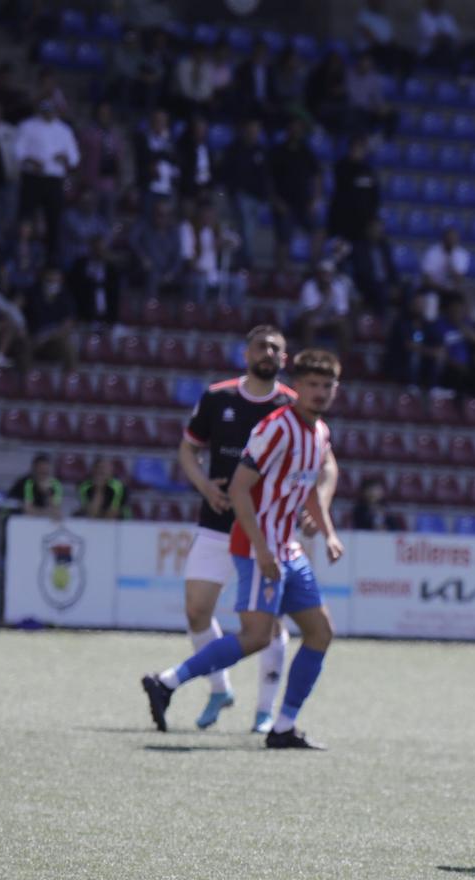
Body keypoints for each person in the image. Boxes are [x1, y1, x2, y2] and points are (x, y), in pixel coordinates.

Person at [144, 347, 345, 750]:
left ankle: (283, 726)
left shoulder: (318, 432)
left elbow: (306, 490)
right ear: (296, 387)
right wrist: (261, 550)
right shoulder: (277, 427)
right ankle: (167, 682)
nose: (319, 393)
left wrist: (328, 532)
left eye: (327, 385)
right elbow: (239, 489)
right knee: (255, 636)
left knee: (320, 632)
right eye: (311, 385)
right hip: (259, 547)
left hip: (287, 548)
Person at [170, 326, 296, 732]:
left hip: (269, 533)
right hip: (218, 522)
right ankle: (220, 689)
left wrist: (313, 507)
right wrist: (205, 486)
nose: (268, 352)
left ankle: (264, 711)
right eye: (261, 346)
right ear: (246, 354)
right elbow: (188, 448)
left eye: (276, 348)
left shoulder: (292, 405)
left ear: (285, 358)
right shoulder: (218, 396)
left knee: (268, 624)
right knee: (196, 611)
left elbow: (317, 461)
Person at [13, 97, 77, 260]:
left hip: (54, 180)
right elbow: (17, 150)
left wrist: (65, 157)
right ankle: (22, 251)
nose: (49, 113)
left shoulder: (64, 130)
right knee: (26, 217)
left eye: (52, 109)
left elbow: (75, 156)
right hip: (32, 177)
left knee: (54, 220)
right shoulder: (27, 126)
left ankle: (51, 257)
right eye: (46, 109)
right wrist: (29, 159)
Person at [267, 117, 321, 257]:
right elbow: (269, 180)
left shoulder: (306, 152)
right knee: (283, 239)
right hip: (284, 204)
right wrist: (276, 201)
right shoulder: (277, 152)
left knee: (318, 231)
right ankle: (281, 275)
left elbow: (316, 176)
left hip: (304, 203)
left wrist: (314, 200)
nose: (295, 132)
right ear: (287, 131)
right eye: (293, 128)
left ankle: (315, 268)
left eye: (298, 129)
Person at [221, 118, 272, 264]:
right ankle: (245, 259)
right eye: (250, 130)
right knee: (246, 227)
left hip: (257, 197)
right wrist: (232, 191)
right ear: (245, 131)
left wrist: (265, 195)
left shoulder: (260, 150)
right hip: (241, 195)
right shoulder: (235, 149)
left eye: (256, 130)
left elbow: (265, 175)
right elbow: (228, 172)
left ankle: (243, 257)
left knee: (250, 229)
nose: (253, 133)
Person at [179, 199, 245, 308]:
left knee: (238, 282)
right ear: (200, 213)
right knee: (200, 282)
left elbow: (236, 241)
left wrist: (224, 241)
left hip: (213, 275)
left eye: (212, 213)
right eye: (207, 213)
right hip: (194, 274)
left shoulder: (216, 228)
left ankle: (228, 314)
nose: (210, 216)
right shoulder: (188, 227)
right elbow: (188, 259)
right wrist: (199, 270)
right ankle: (200, 314)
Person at [76, 101, 134, 223]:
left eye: (107, 113)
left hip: (110, 185)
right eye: (102, 113)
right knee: (90, 219)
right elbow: (80, 157)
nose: (104, 116)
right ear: (96, 114)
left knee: (108, 220)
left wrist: (120, 179)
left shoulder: (115, 135)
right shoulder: (87, 133)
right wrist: (82, 180)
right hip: (92, 184)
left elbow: (119, 159)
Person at [326, 135, 381, 247]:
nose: (359, 151)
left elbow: (374, 196)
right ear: (350, 148)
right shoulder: (341, 167)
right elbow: (344, 192)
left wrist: (373, 219)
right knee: (337, 260)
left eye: (362, 148)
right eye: (356, 147)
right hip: (342, 224)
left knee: (362, 260)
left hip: (363, 227)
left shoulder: (368, 171)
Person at [24, 265, 78, 372]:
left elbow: (68, 324)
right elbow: (18, 311)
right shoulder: (33, 293)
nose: (52, 283)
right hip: (32, 339)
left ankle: (70, 382)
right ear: (43, 278)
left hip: (51, 341)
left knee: (69, 347)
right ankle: (27, 383)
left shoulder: (65, 297)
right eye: (49, 280)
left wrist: (47, 337)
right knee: (23, 346)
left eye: (55, 281)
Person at [130, 197, 186, 295]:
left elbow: (178, 256)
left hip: (167, 271)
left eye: (166, 215)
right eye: (159, 214)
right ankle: (150, 308)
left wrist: (171, 273)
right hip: (147, 269)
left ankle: (190, 310)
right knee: (153, 276)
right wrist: (142, 257)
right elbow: (132, 241)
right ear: (153, 213)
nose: (163, 218)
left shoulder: (174, 231)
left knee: (190, 280)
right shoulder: (144, 226)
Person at [349, 215, 403, 317]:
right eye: (376, 228)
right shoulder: (360, 247)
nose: (379, 232)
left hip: (385, 283)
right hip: (368, 284)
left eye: (380, 229)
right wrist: (385, 286)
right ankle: (381, 326)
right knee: (381, 291)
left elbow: (391, 269)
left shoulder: (384, 247)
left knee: (408, 290)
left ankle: (402, 328)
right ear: (368, 230)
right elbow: (362, 272)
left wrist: (396, 285)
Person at [68, 232, 124, 325]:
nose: (99, 251)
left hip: (106, 315)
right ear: (90, 248)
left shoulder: (110, 268)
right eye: (96, 248)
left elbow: (115, 293)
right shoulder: (80, 264)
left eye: (101, 248)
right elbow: (74, 288)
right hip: (83, 315)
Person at [296, 260, 353, 348]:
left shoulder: (339, 287)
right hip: (309, 320)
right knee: (309, 324)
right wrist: (326, 299)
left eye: (329, 274)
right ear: (318, 274)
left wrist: (327, 321)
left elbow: (342, 313)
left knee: (344, 325)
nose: (326, 277)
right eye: (324, 273)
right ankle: (308, 356)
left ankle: (345, 358)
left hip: (329, 321)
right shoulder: (309, 286)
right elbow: (309, 314)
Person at [418, 0, 475, 73]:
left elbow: (456, 36)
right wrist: (449, 39)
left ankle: (473, 75)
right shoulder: (424, 17)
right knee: (446, 46)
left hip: (451, 49)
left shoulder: (446, 17)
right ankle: (455, 77)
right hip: (430, 54)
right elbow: (436, 38)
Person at [419, 226, 468, 318]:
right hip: (433, 287)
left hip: (452, 290)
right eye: (449, 238)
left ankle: (462, 325)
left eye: (453, 238)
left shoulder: (461, 254)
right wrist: (442, 288)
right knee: (431, 299)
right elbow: (426, 279)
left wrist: (451, 259)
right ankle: (429, 323)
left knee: (464, 297)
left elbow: (459, 280)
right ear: (443, 238)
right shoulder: (432, 252)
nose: (451, 241)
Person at [6, 452, 64, 517]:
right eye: (41, 469)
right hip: (18, 519)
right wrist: (48, 513)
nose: (44, 472)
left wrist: (47, 492)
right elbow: (28, 510)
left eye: (46, 470)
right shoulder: (26, 483)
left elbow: (56, 510)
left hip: (39, 522)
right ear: (34, 469)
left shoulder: (54, 485)